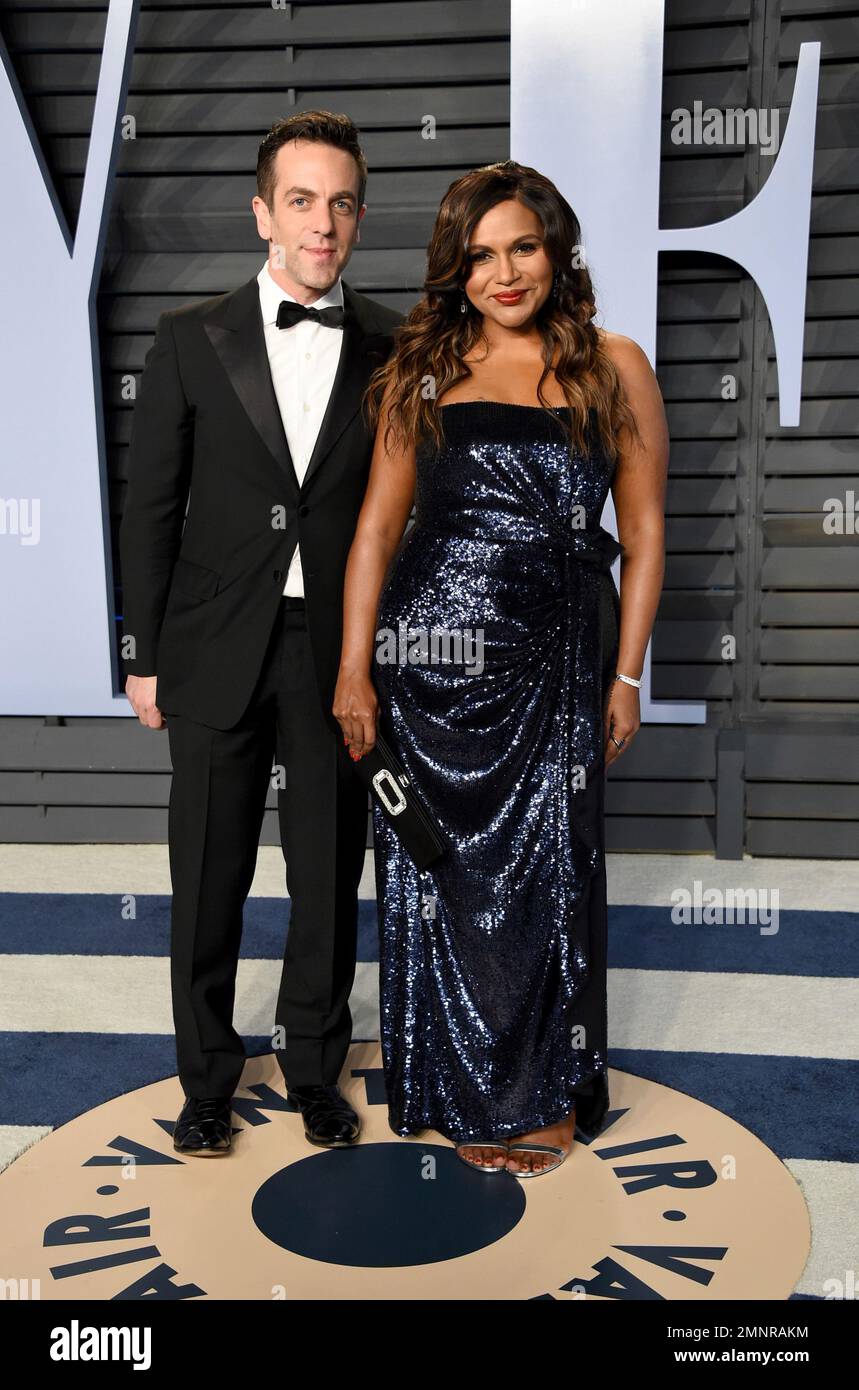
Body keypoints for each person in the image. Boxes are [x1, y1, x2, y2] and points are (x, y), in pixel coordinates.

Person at [333, 160, 668, 1178]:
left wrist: (625, 675)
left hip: (558, 657)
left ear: (556, 247)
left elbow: (647, 531)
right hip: (429, 662)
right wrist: (356, 668)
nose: (504, 272)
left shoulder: (614, 365)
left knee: (546, 871)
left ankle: (541, 1088)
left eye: (522, 246)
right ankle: (455, 1084)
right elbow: (376, 528)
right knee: (442, 874)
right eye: (478, 256)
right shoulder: (419, 369)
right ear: (455, 270)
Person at [119, 111, 402, 1156]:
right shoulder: (191, 336)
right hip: (208, 644)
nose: (321, 223)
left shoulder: (390, 341)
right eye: (300, 200)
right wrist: (142, 654)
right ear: (261, 213)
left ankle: (317, 1069)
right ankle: (206, 1079)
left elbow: (400, 507)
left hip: (335, 653)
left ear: (357, 217)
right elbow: (151, 508)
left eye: (340, 203)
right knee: (207, 874)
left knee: (328, 868)